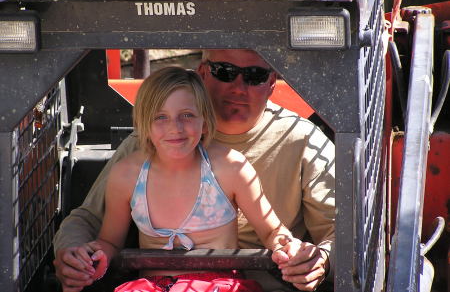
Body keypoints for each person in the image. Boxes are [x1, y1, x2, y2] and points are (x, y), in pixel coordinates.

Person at [54, 49, 335, 292]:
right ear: (203, 73)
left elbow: (333, 231)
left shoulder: (296, 143)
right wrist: (77, 258)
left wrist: (315, 259)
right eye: (225, 72)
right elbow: (93, 223)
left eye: (254, 76)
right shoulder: (139, 155)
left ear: (272, 82)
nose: (238, 87)